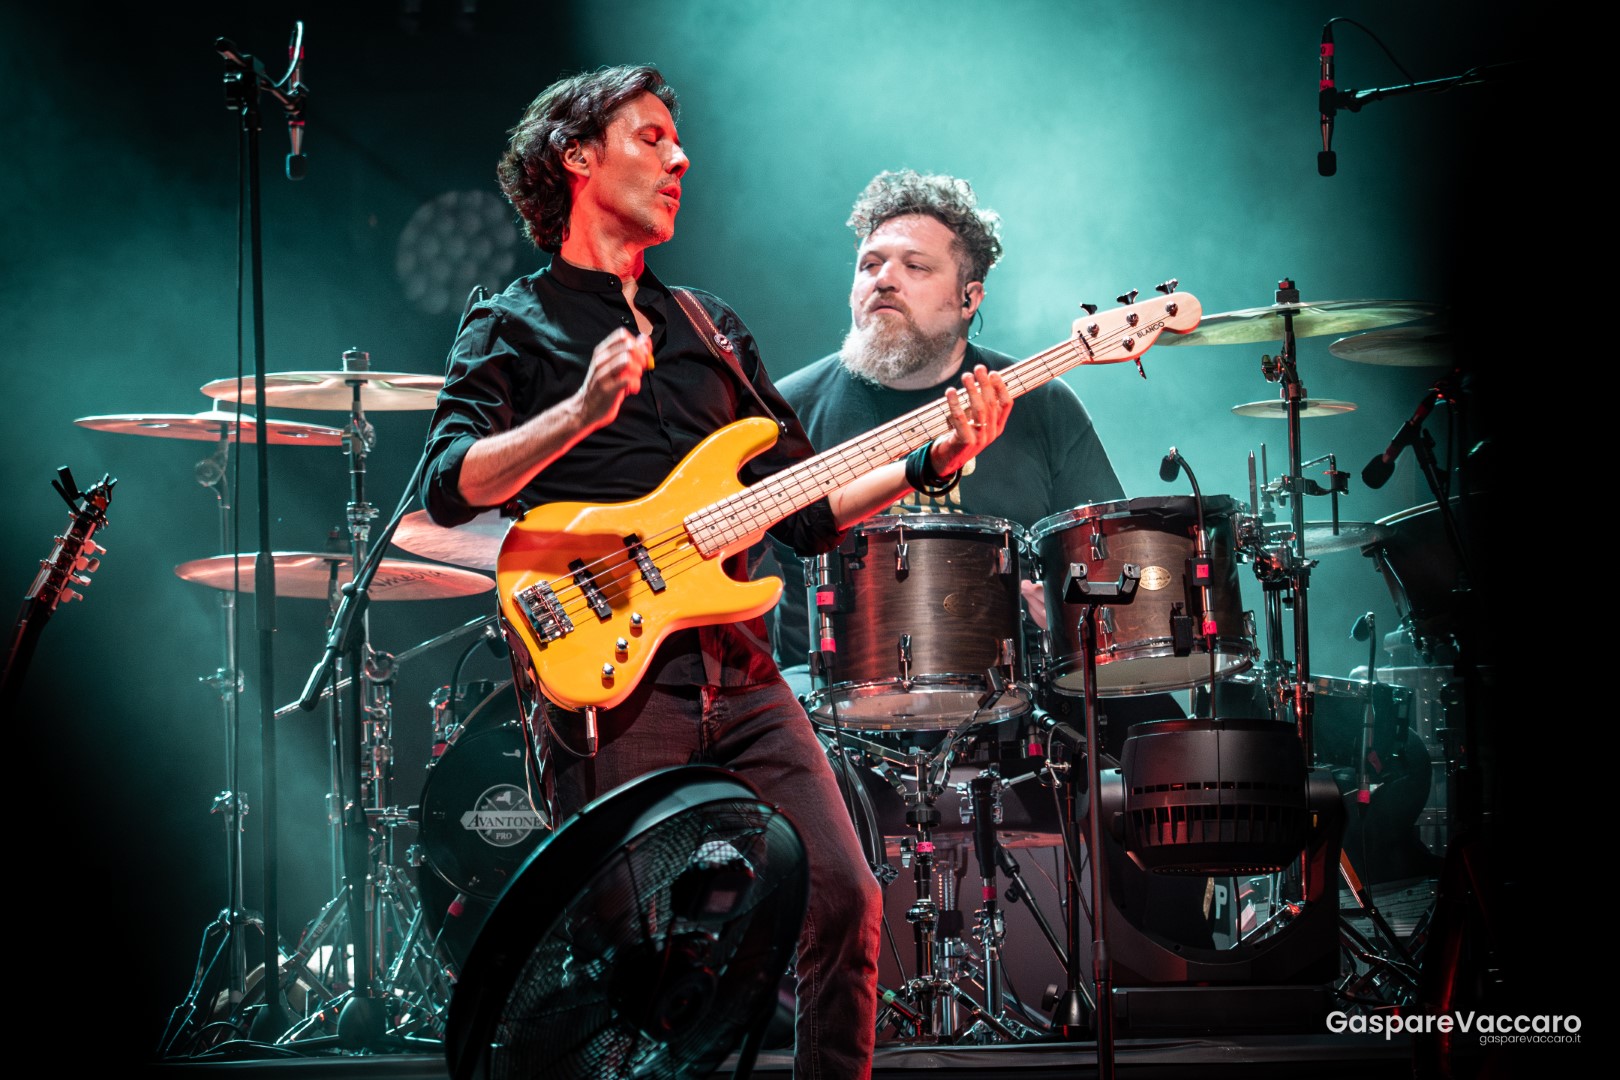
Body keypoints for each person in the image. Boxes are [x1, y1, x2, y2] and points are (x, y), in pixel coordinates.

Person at [417, 68, 1013, 1079]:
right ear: (576, 156)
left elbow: (806, 511)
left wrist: (929, 462)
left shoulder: (709, 326)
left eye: (678, 141)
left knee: (848, 900)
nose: (679, 157)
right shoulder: (512, 323)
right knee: (626, 959)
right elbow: (448, 485)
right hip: (615, 681)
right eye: (650, 138)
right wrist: (578, 414)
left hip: (742, 674)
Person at [767, 169, 1125, 682]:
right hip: (826, 698)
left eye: (915, 266)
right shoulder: (788, 408)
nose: (884, 279)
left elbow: (1109, 561)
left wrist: (1070, 614)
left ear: (969, 298)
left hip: (1013, 694)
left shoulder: (1042, 404)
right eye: (870, 264)